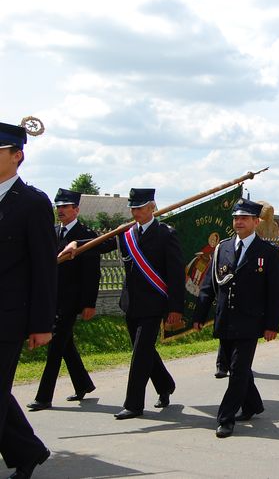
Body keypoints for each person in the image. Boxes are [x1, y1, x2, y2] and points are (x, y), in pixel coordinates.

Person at [64, 188, 185, 419]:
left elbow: (176, 275)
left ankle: (134, 404)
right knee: (144, 350)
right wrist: (76, 243)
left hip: (154, 305)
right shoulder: (126, 233)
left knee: (140, 354)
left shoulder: (166, 234)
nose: (135, 212)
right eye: (133, 208)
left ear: (152, 207)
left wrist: (175, 308)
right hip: (131, 304)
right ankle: (165, 384)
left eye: (139, 207)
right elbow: (100, 243)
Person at [193, 198, 279, 437]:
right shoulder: (222, 248)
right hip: (226, 319)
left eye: (244, 218)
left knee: (238, 368)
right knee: (237, 369)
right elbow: (209, 285)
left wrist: (271, 325)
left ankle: (226, 418)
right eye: (236, 218)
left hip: (251, 321)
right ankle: (253, 404)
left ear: (256, 222)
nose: (239, 222)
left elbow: (275, 293)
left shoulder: (268, 253)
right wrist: (199, 315)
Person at [0, 120, 57, 478]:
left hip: (8, 317)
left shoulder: (33, 202)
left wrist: (41, 324)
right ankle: (28, 451)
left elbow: (44, 269)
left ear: (17, 156)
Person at [28, 189, 99, 412]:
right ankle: (83, 384)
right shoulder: (52, 232)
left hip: (72, 301)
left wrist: (89, 303)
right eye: (58, 207)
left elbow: (92, 273)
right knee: (66, 345)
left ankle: (44, 397)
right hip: (53, 298)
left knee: (56, 346)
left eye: (65, 207)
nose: (60, 211)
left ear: (76, 209)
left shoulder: (85, 234)